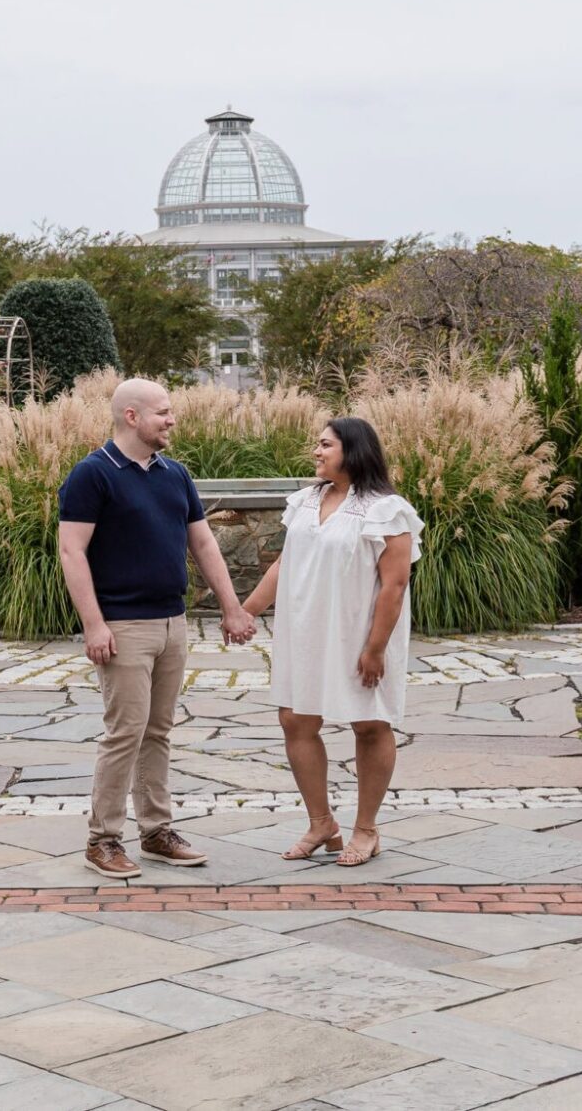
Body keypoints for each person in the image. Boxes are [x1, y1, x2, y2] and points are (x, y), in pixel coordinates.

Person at [57, 377, 257, 880]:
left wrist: (233, 608)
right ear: (132, 417)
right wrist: (94, 624)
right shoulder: (92, 474)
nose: (171, 420)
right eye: (163, 413)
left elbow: (204, 545)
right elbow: (71, 551)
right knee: (124, 733)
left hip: (173, 623)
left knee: (159, 732)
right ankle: (102, 840)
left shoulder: (176, 475)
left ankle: (156, 831)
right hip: (123, 626)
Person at [241, 416, 421, 868]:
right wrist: (245, 610)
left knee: (369, 724)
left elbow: (394, 586)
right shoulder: (304, 501)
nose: (316, 452)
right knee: (295, 721)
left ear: (353, 450)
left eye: (325, 445)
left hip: (360, 633)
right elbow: (286, 563)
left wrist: (375, 648)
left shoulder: (388, 509)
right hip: (305, 627)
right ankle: (322, 823)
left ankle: (366, 829)